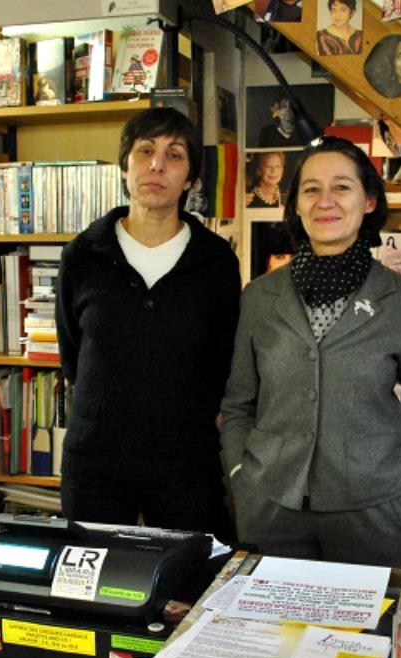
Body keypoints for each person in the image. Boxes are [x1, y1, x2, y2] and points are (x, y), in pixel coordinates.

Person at [220, 136, 401, 565]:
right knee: (272, 632)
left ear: (368, 201)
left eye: (342, 187)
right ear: (297, 205)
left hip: (374, 512)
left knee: (364, 631)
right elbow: (238, 406)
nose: (325, 201)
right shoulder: (259, 297)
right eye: (311, 189)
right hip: (270, 509)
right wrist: (242, 478)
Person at [56, 108, 240, 536]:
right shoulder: (83, 255)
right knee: (96, 593)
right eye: (144, 151)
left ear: (191, 178)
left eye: (174, 155)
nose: (157, 164)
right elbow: (73, 358)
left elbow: (224, 362)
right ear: (125, 167)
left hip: (186, 463)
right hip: (95, 461)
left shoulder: (216, 263)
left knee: (192, 588)